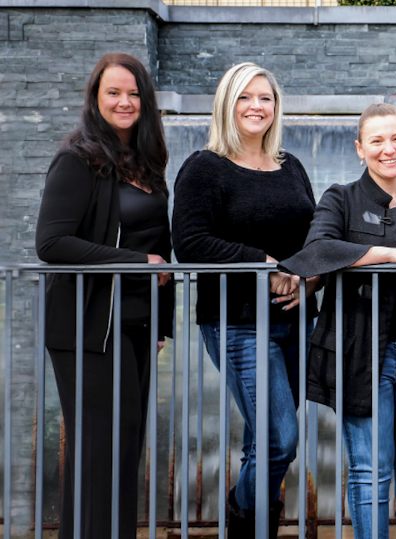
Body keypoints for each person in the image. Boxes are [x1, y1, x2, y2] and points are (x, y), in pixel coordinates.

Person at [281, 103, 396, 539]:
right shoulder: (340, 197)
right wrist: (390, 256)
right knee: (371, 467)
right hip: (360, 353)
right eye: (376, 140)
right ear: (360, 148)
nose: (388, 149)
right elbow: (318, 250)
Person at [172, 62, 318, 538]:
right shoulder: (204, 167)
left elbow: (314, 237)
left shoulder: (290, 166)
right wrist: (264, 265)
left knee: (263, 443)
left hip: (296, 320)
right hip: (237, 321)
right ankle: (241, 517)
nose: (257, 106)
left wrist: (309, 278)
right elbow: (190, 242)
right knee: (280, 440)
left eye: (265, 98)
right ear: (226, 104)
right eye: (245, 97)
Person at [35, 53, 174, 539]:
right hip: (87, 327)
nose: (124, 102)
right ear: (95, 98)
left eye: (134, 93)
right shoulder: (77, 160)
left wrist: (162, 324)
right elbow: (52, 243)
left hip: (137, 325)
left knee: (124, 448)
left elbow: (160, 245)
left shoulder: (147, 161)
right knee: (99, 450)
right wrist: (136, 263)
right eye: (113, 92)